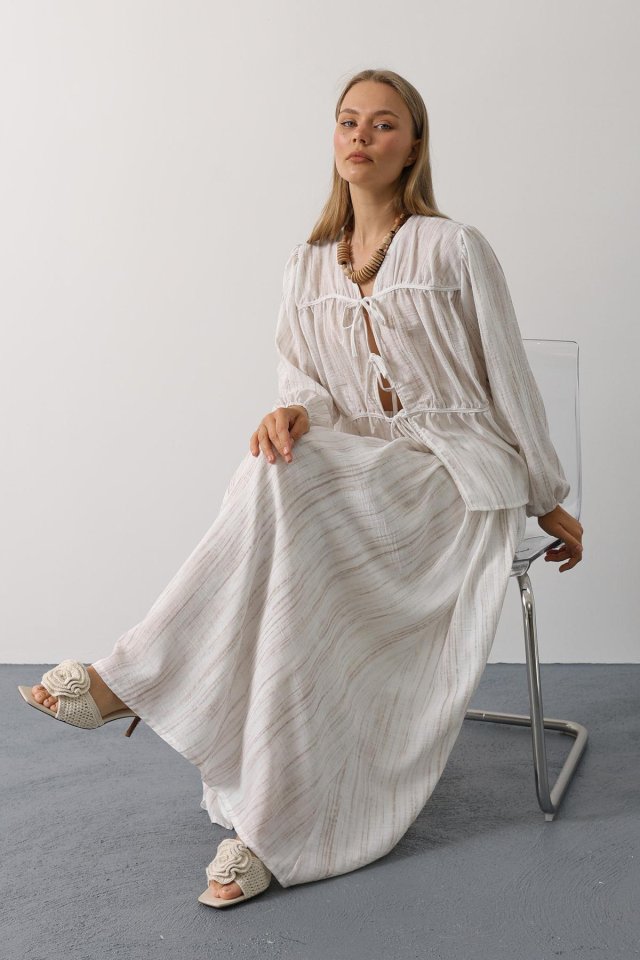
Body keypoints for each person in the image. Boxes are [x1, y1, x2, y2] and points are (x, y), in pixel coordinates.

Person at [19, 68, 584, 908]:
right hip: (359, 476)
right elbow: (308, 386)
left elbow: (509, 379)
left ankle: (131, 682)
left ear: (413, 146)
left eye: (383, 124)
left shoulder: (454, 247)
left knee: (287, 484)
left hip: (456, 481)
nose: (361, 136)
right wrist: (293, 413)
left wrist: (545, 495)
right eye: (348, 121)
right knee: (274, 467)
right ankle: (270, 814)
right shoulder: (306, 264)